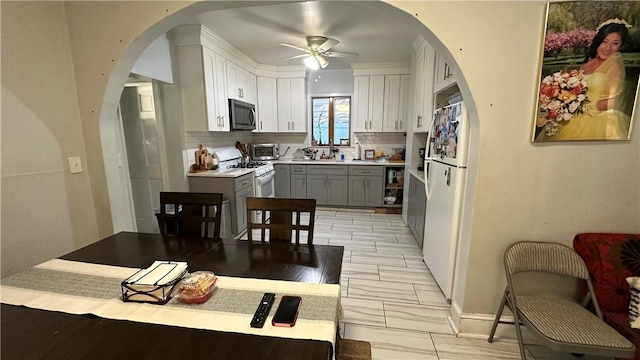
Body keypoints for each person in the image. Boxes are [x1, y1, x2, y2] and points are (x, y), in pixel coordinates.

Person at [537, 18, 632, 141]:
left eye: (615, 43)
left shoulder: (614, 65)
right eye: (605, 41)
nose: (608, 48)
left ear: (620, 45)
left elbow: (614, 100)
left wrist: (584, 109)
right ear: (598, 41)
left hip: (596, 118)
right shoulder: (588, 62)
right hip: (573, 113)